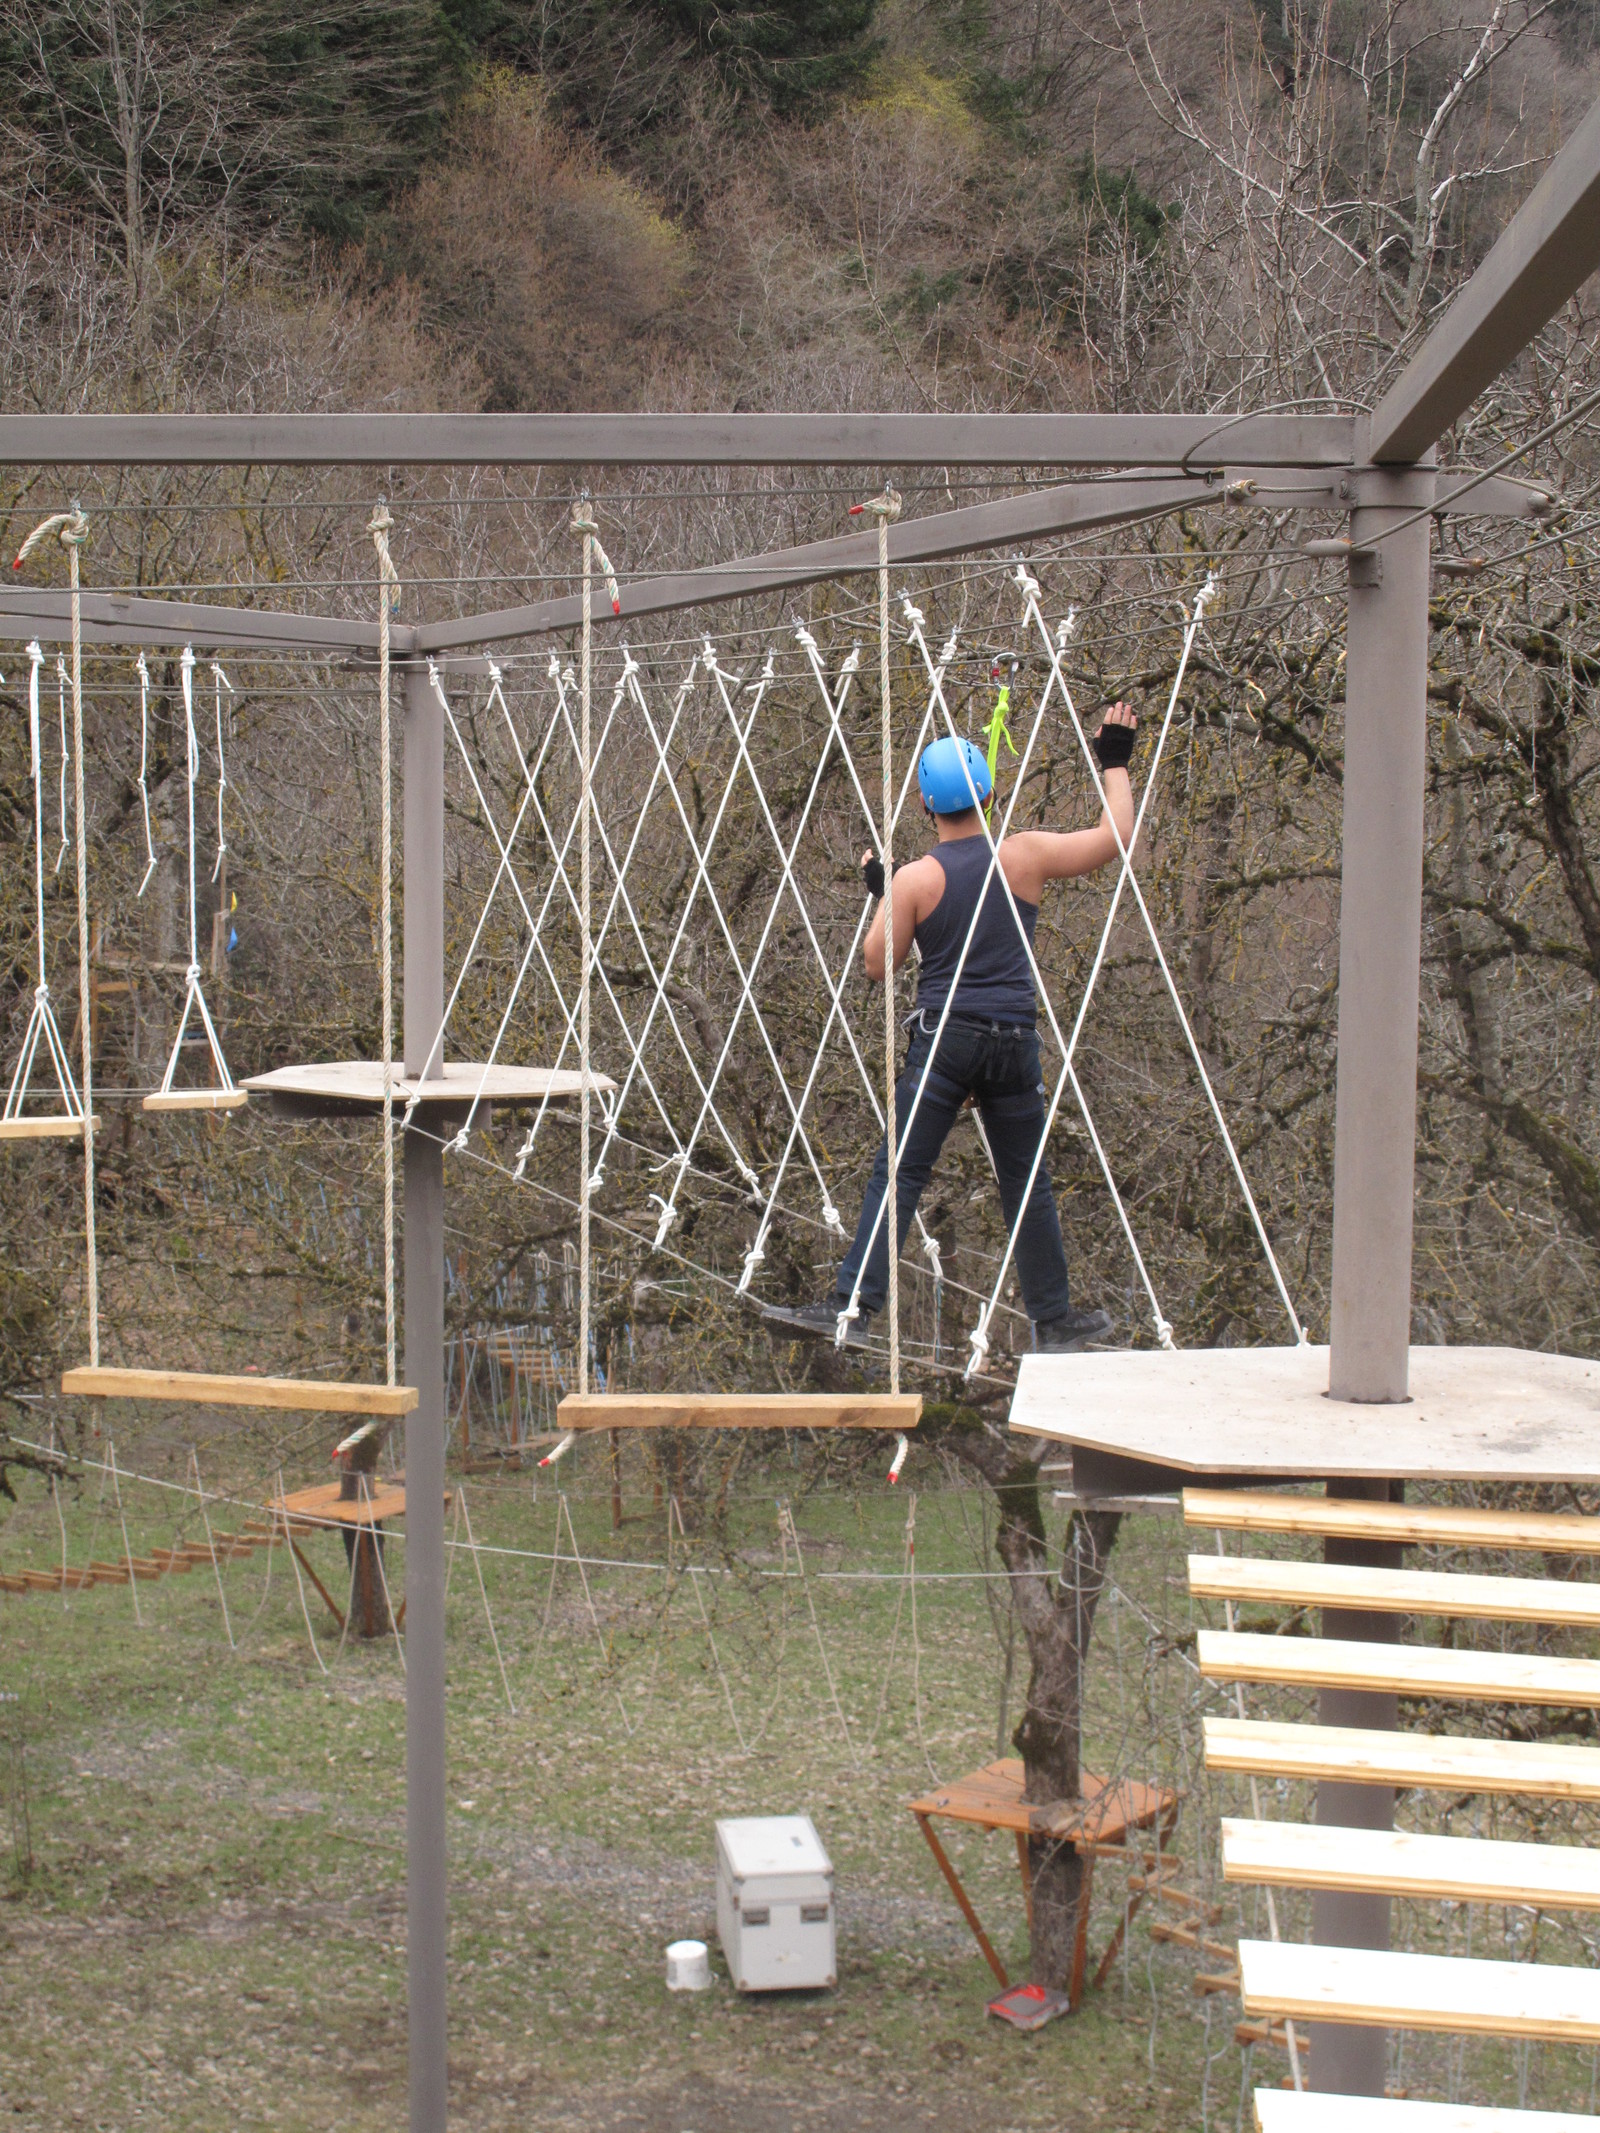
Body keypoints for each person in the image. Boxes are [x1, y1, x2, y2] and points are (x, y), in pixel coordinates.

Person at [764, 703, 1139, 1355]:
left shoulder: (916, 878)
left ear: (924, 805)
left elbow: (878, 964)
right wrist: (1115, 762)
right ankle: (1053, 1318)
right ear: (989, 795)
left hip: (946, 1040)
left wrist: (884, 891)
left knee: (901, 1172)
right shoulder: (1023, 854)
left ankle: (853, 1303)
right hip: (1013, 1039)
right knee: (1027, 1179)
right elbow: (1114, 837)